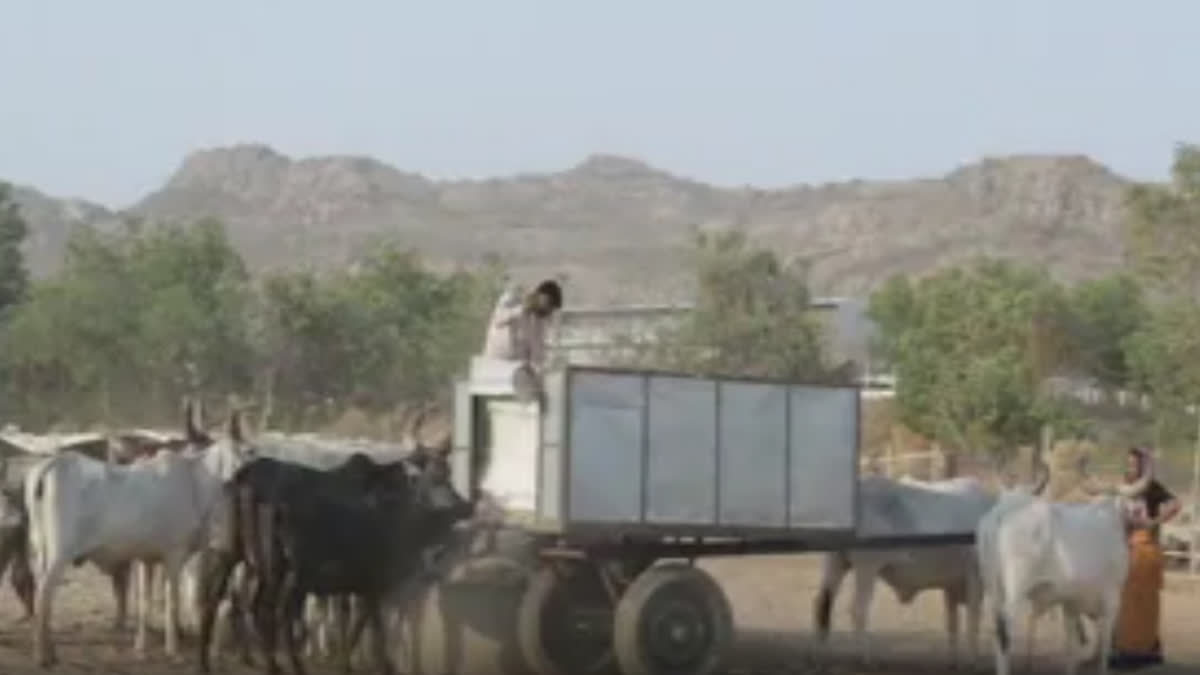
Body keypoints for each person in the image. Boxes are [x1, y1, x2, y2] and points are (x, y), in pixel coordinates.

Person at [1109, 447, 1181, 669]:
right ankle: (1124, 648)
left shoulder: (1150, 486)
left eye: (1136, 463)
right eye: (1129, 462)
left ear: (1143, 465)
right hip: (1124, 550)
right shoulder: (1123, 485)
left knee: (1145, 603)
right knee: (1123, 603)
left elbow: (1176, 504)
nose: (1131, 466)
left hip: (1145, 550)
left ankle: (1141, 651)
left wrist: (1154, 521)